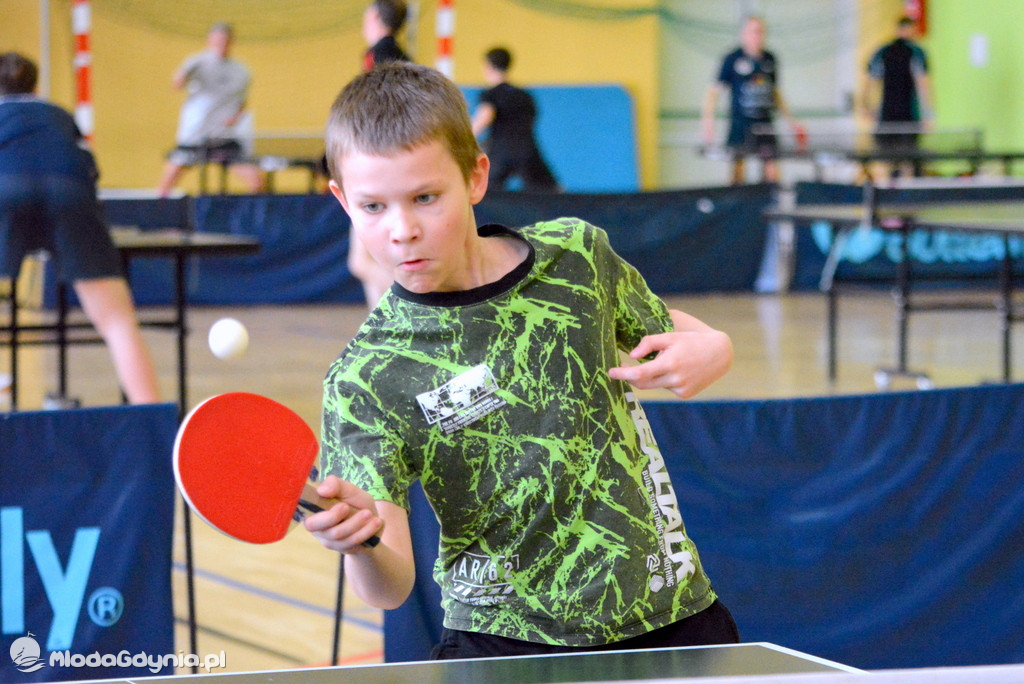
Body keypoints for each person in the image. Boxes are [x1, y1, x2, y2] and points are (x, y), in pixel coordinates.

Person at [306, 63, 738, 660]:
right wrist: (363, 544)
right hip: (503, 645)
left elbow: (674, 333)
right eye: (373, 206)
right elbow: (389, 587)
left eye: (425, 198)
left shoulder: (576, 256)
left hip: (671, 615)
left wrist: (718, 346)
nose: (402, 230)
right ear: (342, 200)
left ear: (475, 177)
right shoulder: (364, 379)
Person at [0, 53, 160, 404]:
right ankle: (153, 421)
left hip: (5, 191)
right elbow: (89, 169)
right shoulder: (59, 115)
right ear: (35, 86)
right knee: (117, 321)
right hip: (70, 194)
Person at [344, 0, 413, 309]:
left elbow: (370, 112)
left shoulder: (376, 57)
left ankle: (422, 301)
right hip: (398, 164)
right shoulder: (406, 59)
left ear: (374, 17)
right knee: (373, 260)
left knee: (361, 262)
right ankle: (382, 329)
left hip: (378, 169)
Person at [157, 23, 264, 197]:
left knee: (256, 180)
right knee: (169, 178)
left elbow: (242, 102)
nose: (221, 44)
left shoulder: (241, 71)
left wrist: (236, 117)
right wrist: (183, 76)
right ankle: (158, 209)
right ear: (209, 41)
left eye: (225, 40)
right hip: (195, 136)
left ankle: (253, 212)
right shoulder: (197, 63)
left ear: (231, 41)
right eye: (217, 40)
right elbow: (176, 84)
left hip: (224, 137)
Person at [701, 16, 803, 184]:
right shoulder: (732, 59)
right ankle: (738, 200)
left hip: (765, 124)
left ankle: (771, 199)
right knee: (738, 172)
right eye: (752, 32)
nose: (757, 36)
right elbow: (713, 92)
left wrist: (791, 121)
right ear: (743, 34)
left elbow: (776, 93)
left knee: (772, 171)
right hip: (740, 124)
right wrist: (708, 121)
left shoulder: (770, 59)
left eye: (760, 32)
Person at [471, 47, 559, 192]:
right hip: (526, 149)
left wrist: (464, 139)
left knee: (485, 191)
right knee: (550, 190)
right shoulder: (525, 96)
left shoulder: (490, 94)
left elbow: (484, 118)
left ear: (488, 66)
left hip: (501, 151)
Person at [861, 15, 933, 179]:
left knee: (898, 162)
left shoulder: (885, 51)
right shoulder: (912, 52)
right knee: (899, 162)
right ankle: (899, 188)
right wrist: (928, 114)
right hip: (898, 118)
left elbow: (869, 81)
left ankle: (898, 187)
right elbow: (923, 84)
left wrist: (865, 105)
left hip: (899, 118)